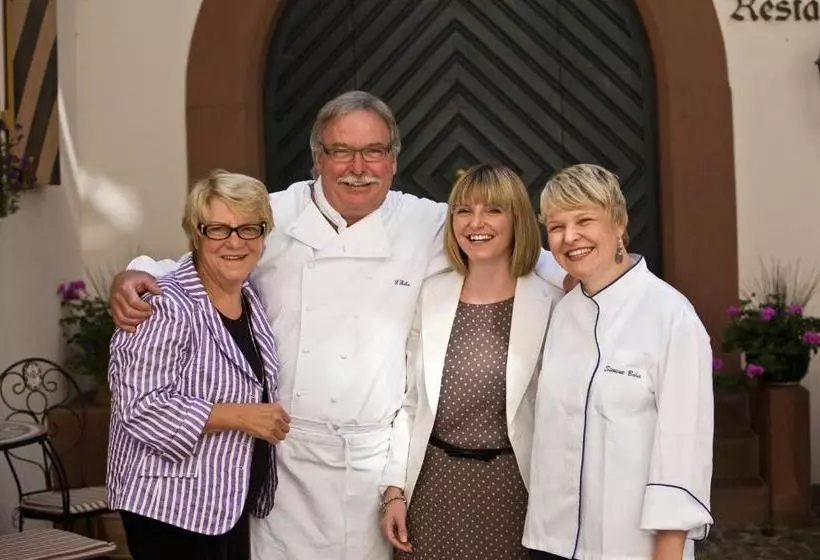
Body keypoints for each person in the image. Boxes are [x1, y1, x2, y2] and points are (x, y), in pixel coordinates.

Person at [110, 91, 566, 560]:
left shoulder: (426, 222)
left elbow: (522, 257)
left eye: (374, 151)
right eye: (341, 151)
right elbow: (200, 256)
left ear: (393, 160)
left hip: (372, 460)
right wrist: (131, 275)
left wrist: (590, 281)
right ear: (317, 159)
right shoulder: (273, 215)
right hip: (287, 458)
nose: (358, 166)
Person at [523, 164, 714, 560]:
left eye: (584, 220)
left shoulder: (670, 316)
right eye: (556, 227)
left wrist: (668, 549)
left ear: (619, 223)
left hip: (629, 546)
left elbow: (682, 448)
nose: (569, 237)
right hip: (551, 541)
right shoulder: (562, 312)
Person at [379, 164, 564, 559]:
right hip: (431, 489)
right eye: (463, 210)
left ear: (517, 219)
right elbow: (409, 402)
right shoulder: (431, 293)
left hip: (514, 492)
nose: (475, 223)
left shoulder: (553, 299)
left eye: (493, 210)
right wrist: (394, 490)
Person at [106, 170, 290, 560]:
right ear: (196, 232)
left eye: (249, 229)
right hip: (169, 507)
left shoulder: (250, 298)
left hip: (225, 503)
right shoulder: (163, 306)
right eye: (218, 229)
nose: (235, 242)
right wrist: (240, 416)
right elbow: (139, 407)